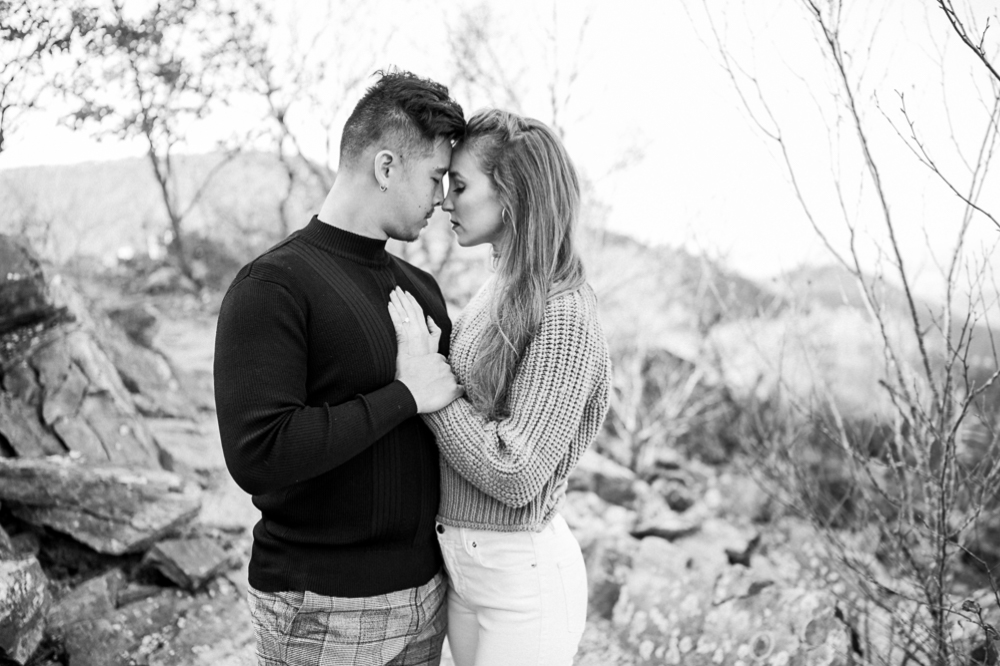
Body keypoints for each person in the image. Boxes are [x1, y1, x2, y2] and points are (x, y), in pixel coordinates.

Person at [213, 70, 465, 666]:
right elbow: (260, 455)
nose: (442, 199)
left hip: (427, 599)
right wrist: (404, 395)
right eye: (434, 178)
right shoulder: (274, 284)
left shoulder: (422, 289)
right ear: (385, 167)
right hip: (322, 608)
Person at [387, 109, 612, 666]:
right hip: (466, 572)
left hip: (523, 584)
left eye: (460, 186)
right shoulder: (500, 285)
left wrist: (430, 391)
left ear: (510, 195)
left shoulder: (563, 315)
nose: (444, 201)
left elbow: (517, 472)